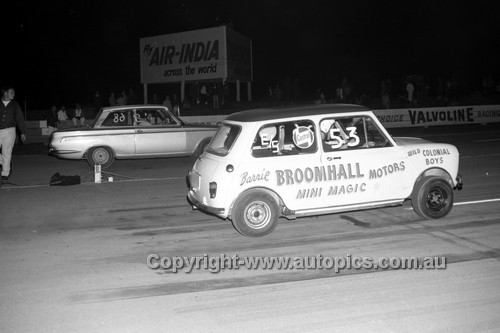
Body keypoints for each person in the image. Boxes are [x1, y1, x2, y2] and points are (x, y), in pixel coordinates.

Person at [0, 86, 26, 181]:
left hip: (9, 131)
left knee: (6, 152)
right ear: (5, 93)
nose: (14, 94)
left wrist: (22, 132)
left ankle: (5, 173)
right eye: (12, 92)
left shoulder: (15, 105)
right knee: (5, 156)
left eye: (14, 93)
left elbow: (20, 118)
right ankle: (6, 162)